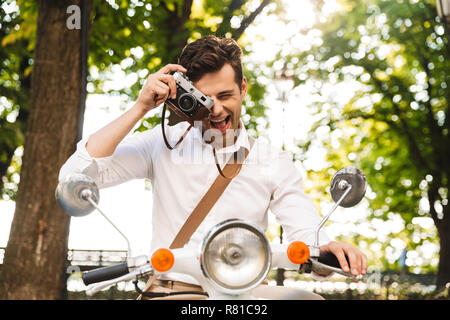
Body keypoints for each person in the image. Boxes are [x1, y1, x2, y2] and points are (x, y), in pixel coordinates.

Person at [59, 35, 367, 300]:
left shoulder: (273, 161)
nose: (216, 109)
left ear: (243, 87)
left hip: (242, 294)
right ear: (183, 97)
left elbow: (307, 234)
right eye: (205, 99)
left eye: (225, 95)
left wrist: (327, 248)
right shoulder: (162, 143)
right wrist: (141, 107)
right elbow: (77, 175)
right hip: (172, 289)